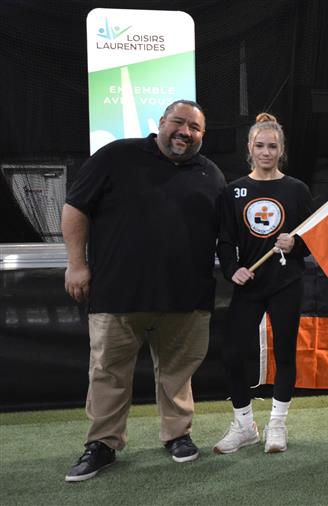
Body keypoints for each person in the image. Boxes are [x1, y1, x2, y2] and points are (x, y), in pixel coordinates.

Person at [62, 100, 226, 482]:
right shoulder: (117, 156)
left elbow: (227, 234)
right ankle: (102, 444)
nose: (185, 132)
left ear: (203, 135)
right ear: (161, 123)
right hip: (118, 293)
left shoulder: (210, 173)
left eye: (195, 128)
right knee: (108, 373)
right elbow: (75, 208)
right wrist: (76, 264)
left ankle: (177, 436)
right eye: (179, 123)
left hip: (186, 297)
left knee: (177, 373)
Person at [213, 113, 312, 454]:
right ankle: (244, 425)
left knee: (285, 353)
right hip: (249, 285)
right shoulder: (233, 190)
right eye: (260, 146)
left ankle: (277, 424)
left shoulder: (297, 190)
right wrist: (232, 269)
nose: (266, 152)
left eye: (273, 146)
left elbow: (312, 241)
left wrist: (295, 244)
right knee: (232, 354)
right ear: (249, 148)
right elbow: (225, 241)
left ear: (281, 150)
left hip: (287, 282)